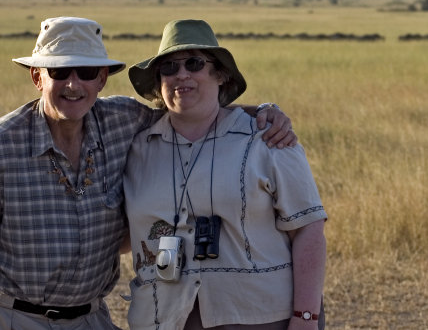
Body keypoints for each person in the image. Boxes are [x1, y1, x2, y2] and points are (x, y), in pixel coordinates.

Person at [0, 17, 296, 330]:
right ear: (37, 77)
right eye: (59, 72)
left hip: (92, 319)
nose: (73, 85)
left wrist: (264, 113)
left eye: (86, 72)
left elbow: (192, 110)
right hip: (17, 318)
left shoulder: (122, 121)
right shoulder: (5, 146)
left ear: (101, 79)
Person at [124, 19, 326, 330]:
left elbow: (308, 229)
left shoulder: (268, 139)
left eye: (194, 63)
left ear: (220, 74)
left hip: (260, 316)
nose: (181, 74)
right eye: (169, 67)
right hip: (162, 317)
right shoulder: (135, 148)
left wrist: (306, 317)